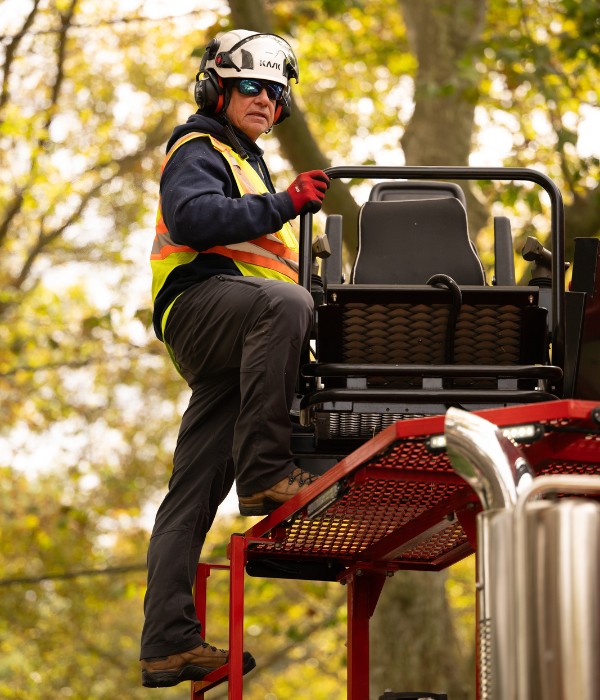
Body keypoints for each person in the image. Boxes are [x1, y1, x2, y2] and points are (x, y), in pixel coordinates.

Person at [140, 29, 330, 688]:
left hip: (237, 338)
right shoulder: (199, 148)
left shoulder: (248, 162)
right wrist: (285, 204)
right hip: (204, 310)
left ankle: (167, 642)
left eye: (275, 92)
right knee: (289, 305)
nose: (265, 100)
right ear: (215, 89)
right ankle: (266, 473)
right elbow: (191, 220)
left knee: (188, 497)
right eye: (250, 84)